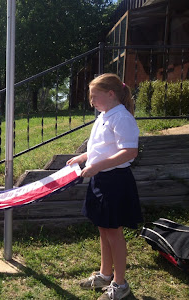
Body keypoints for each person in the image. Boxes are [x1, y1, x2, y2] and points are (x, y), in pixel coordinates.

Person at [67, 73, 143, 300]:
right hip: (101, 179)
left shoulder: (122, 117)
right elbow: (104, 147)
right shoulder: (104, 115)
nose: (91, 101)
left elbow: (129, 151)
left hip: (115, 182)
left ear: (111, 94)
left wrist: (97, 166)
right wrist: (85, 156)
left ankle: (120, 285)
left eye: (94, 96)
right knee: (103, 228)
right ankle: (105, 274)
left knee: (114, 233)